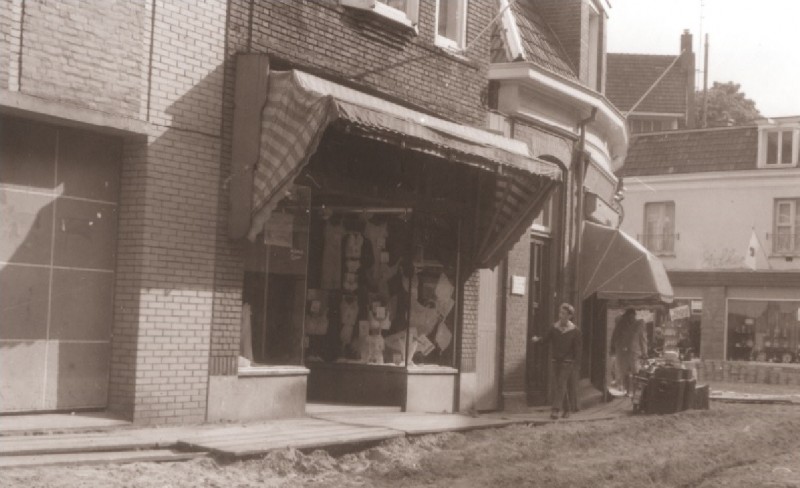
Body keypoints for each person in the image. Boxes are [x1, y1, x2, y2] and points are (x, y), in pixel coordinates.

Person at [531, 303, 582, 420]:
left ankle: (555, 410)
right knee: (560, 385)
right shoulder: (554, 328)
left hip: (567, 362)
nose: (560, 315)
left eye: (564, 313)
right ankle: (567, 409)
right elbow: (545, 340)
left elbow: (578, 350)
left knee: (561, 384)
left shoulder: (575, 331)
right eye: (560, 313)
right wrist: (537, 340)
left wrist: (577, 365)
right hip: (556, 360)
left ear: (570, 316)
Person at [609, 308, 648, 394]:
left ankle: (634, 390)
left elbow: (643, 339)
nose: (629, 319)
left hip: (634, 353)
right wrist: (612, 348)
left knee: (635, 371)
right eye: (627, 317)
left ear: (634, 316)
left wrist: (645, 352)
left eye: (631, 316)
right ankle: (625, 389)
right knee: (623, 372)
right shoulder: (620, 324)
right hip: (622, 352)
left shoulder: (639, 324)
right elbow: (614, 336)